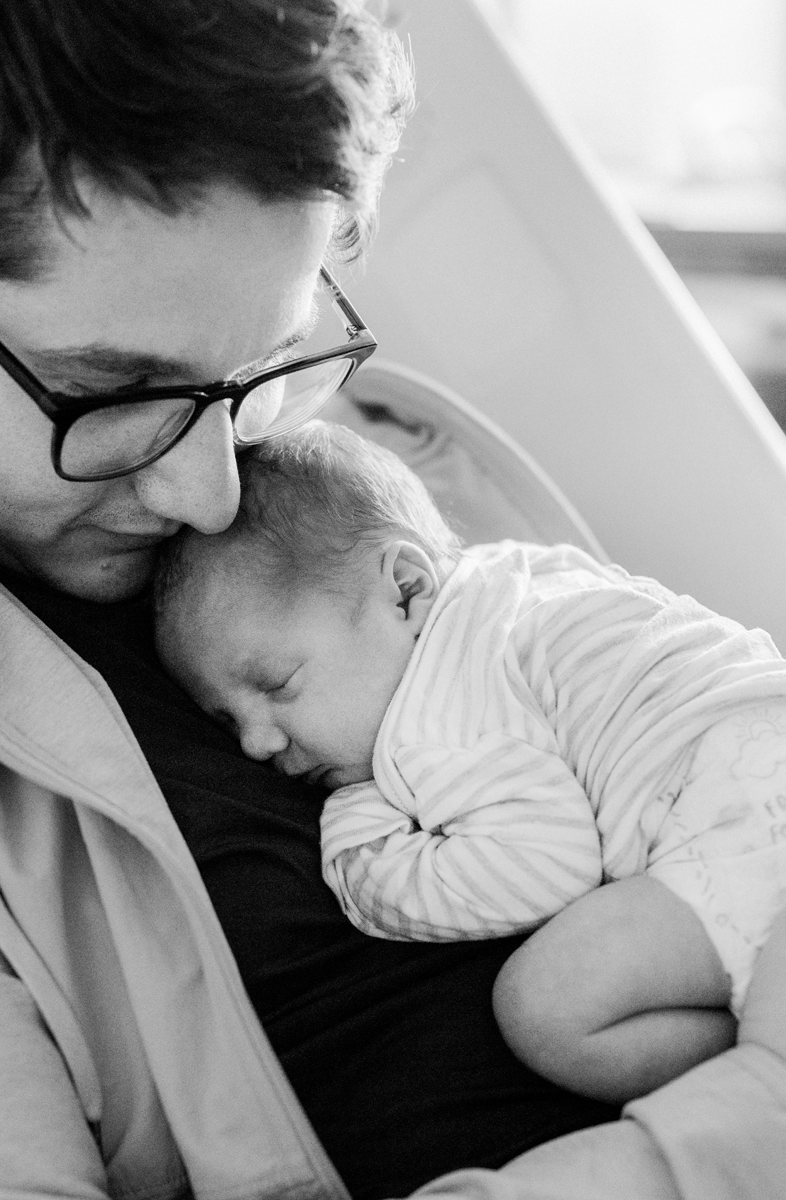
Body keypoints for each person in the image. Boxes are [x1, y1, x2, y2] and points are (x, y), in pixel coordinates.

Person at [0, 2, 785, 1198]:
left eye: (260, 366)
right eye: (114, 395)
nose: (207, 491)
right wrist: (753, 1115)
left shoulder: (384, 462)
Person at [154, 420, 786, 1104]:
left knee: (548, 1008)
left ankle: (762, 1071)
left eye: (276, 685)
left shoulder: (431, 710)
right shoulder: (520, 576)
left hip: (742, 811)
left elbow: (544, 870)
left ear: (405, 590)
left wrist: (361, 847)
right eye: (227, 721)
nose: (256, 743)